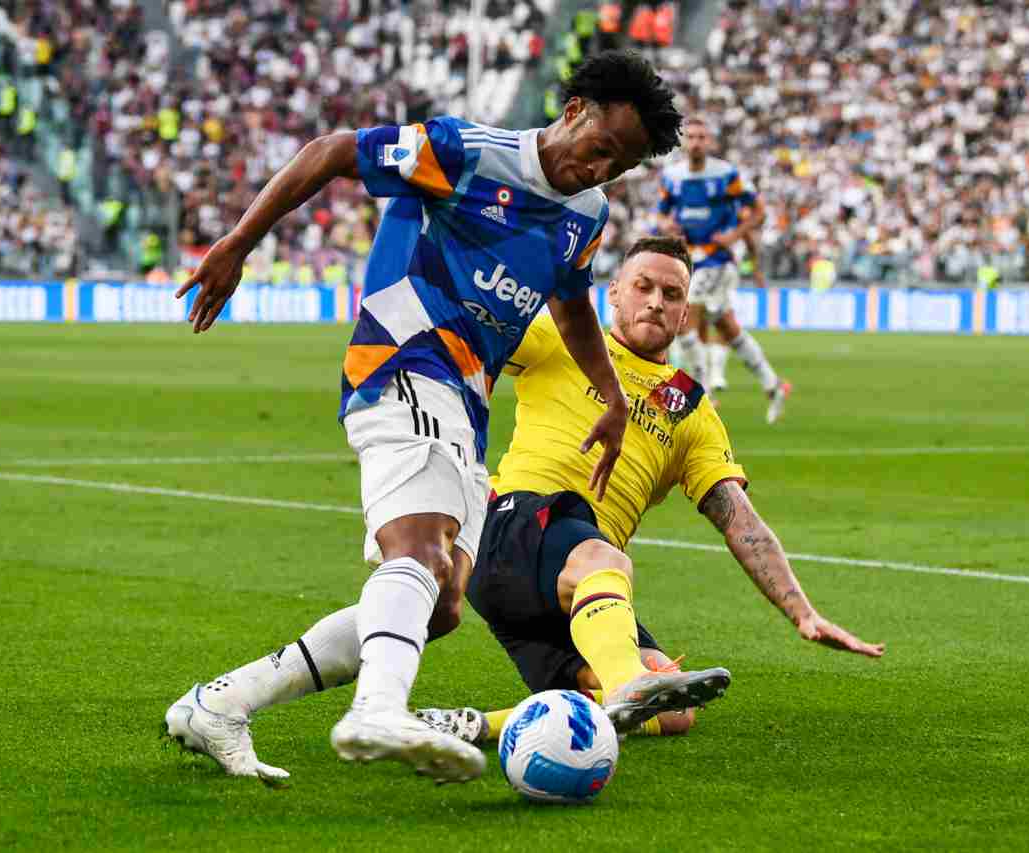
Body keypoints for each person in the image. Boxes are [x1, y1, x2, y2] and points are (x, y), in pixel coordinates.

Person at [163, 50, 693, 785]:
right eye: (601, 148)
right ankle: (378, 709)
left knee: (441, 604)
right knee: (418, 547)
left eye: (621, 165)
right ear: (573, 112)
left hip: (466, 403)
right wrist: (237, 243)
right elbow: (332, 151)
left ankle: (222, 703)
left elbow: (571, 302)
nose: (600, 170)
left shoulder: (587, 215)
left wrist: (610, 395)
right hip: (403, 358)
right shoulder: (467, 152)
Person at [413, 236, 883, 745]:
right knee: (604, 562)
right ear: (614, 292)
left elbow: (739, 520)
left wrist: (803, 613)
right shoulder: (562, 338)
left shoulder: (690, 410)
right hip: (512, 530)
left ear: (685, 313)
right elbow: (470, 330)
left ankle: (475, 725)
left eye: (672, 294)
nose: (656, 302)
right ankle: (626, 682)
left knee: (674, 709)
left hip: (573, 592)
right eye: (643, 286)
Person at [657, 117, 791, 423]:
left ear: (710, 142)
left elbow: (759, 211)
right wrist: (668, 227)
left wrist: (733, 235)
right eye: (691, 137)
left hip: (718, 259)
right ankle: (773, 385)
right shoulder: (672, 177)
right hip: (691, 260)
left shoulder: (726, 174)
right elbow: (662, 215)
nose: (696, 142)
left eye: (701, 137)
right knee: (727, 328)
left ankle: (702, 395)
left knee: (683, 318)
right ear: (683, 141)